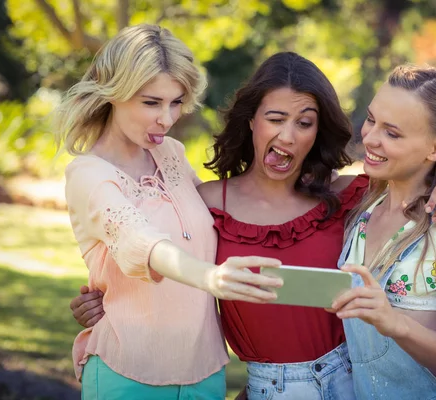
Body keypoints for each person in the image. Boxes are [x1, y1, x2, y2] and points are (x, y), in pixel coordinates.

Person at [70, 52, 436, 399]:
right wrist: (105, 294)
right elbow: (162, 245)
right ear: (252, 120)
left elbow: (415, 177)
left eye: (304, 123)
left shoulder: (350, 197)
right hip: (260, 385)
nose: (287, 137)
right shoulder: (208, 204)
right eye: (275, 118)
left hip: (348, 384)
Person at [56, 24, 283, 399]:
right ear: (113, 93)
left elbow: (224, 210)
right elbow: (141, 242)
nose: (167, 118)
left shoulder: (170, 153)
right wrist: (211, 278)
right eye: (151, 102)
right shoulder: (88, 173)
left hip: (205, 373)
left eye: (176, 102)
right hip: (127, 374)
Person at [330, 65, 436, 399]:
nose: (371, 138)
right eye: (372, 119)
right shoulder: (363, 201)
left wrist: (393, 322)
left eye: (393, 133)